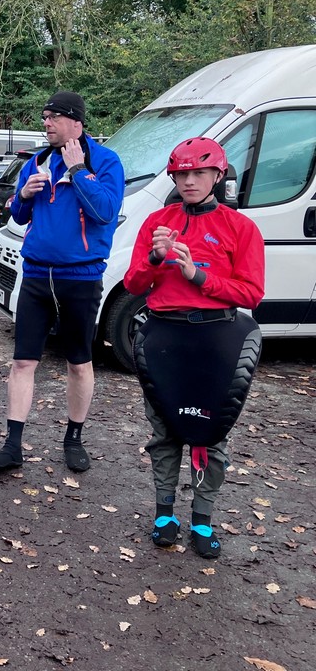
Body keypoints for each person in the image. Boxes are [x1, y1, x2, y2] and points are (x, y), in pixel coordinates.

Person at [124, 138, 264, 559]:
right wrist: (154, 257)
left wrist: (196, 276)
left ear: (218, 176)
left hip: (216, 340)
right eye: (181, 174)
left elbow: (252, 293)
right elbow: (132, 285)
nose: (189, 181)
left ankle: (202, 519)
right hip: (164, 336)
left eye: (199, 173)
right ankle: (164, 514)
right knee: (163, 432)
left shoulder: (240, 228)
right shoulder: (157, 222)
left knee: (210, 436)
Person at [0, 91, 124, 473]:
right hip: (37, 277)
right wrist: (22, 196)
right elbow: (23, 217)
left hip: (81, 278)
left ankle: (74, 438)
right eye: (44, 117)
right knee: (23, 360)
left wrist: (78, 172)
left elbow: (106, 212)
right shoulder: (38, 161)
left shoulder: (106, 162)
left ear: (76, 121)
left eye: (53, 118)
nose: (46, 124)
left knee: (78, 363)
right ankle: (12, 445)